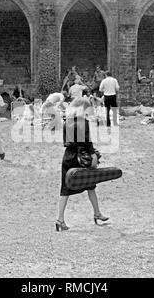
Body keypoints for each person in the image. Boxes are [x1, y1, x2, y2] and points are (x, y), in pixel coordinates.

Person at [56, 97, 108, 232]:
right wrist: (93, 155)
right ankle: (97, 213)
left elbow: (66, 142)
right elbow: (87, 141)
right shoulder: (83, 122)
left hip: (68, 156)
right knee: (90, 184)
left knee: (65, 189)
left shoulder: (66, 122)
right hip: (81, 156)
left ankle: (60, 219)